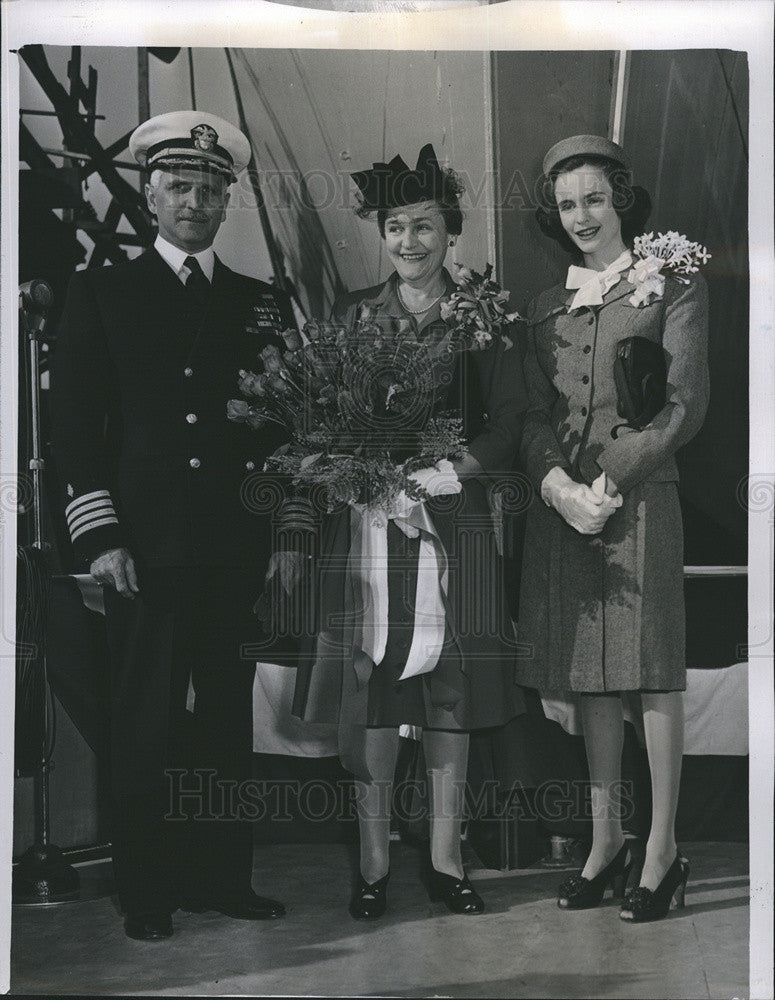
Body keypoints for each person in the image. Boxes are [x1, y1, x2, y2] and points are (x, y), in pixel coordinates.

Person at [50, 111, 295, 940]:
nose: (194, 201)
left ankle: (225, 878)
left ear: (228, 201)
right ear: (151, 195)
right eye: (178, 186)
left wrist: (276, 538)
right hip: (141, 551)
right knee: (145, 717)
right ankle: (147, 891)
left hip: (231, 550)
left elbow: (279, 434)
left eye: (210, 188)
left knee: (228, 716)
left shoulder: (260, 304)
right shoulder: (104, 290)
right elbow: (75, 427)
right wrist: (102, 536)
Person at [290, 144, 528, 918]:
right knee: (377, 690)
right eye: (396, 227)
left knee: (449, 693)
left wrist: (453, 469)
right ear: (381, 235)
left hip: (451, 524)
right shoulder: (354, 314)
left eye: (425, 226)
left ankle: (446, 858)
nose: (410, 243)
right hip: (369, 528)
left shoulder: (484, 315)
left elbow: (510, 423)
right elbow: (319, 420)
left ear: (450, 233)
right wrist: (356, 472)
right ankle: (370, 862)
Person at [516, 134, 709, 922]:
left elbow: (683, 403)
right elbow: (530, 415)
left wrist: (607, 479)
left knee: (651, 671)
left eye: (595, 198)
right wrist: (557, 486)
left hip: (638, 502)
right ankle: (606, 841)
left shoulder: (674, 281)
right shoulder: (544, 306)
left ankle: (661, 851)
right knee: (589, 675)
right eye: (566, 204)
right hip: (565, 512)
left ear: (621, 198)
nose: (582, 216)